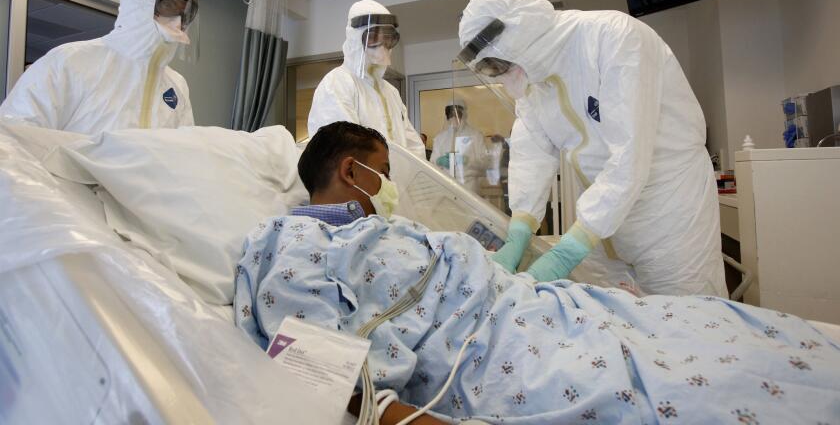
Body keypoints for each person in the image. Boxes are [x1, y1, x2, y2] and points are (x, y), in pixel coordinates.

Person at [234, 122, 840, 424]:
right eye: (383, 171)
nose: (391, 185)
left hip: (543, 310)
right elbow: (313, 366)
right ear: (350, 171)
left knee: (713, 325)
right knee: (704, 387)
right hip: (500, 354)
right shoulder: (294, 241)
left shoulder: (392, 229)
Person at [458, 0, 726, 296]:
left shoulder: (614, 38)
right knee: (606, 320)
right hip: (599, 220)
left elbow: (630, 155)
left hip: (667, 215)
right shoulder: (534, 79)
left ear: (520, 36)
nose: (500, 77)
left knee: (687, 322)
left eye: (497, 66)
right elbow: (531, 153)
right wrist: (519, 228)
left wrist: (567, 251)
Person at [0, 0, 196, 133]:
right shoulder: (70, 61)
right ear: (139, 4)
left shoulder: (177, 85)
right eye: (169, 5)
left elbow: (181, 153)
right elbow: (14, 138)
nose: (177, 22)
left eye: (184, 14)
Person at [307, 0, 426, 159]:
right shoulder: (337, 83)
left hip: (395, 183)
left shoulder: (390, 92)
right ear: (356, 38)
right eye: (373, 38)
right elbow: (342, 154)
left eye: (387, 39)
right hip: (361, 183)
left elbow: (413, 146)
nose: (382, 46)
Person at [430, 98, 488, 194]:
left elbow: (484, 162)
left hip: (469, 188)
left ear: (464, 114)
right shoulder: (440, 138)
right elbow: (432, 163)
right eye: (451, 113)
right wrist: (439, 161)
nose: (454, 117)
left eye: (457, 113)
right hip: (446, 187)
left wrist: (468, 161)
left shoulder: (475, 136)